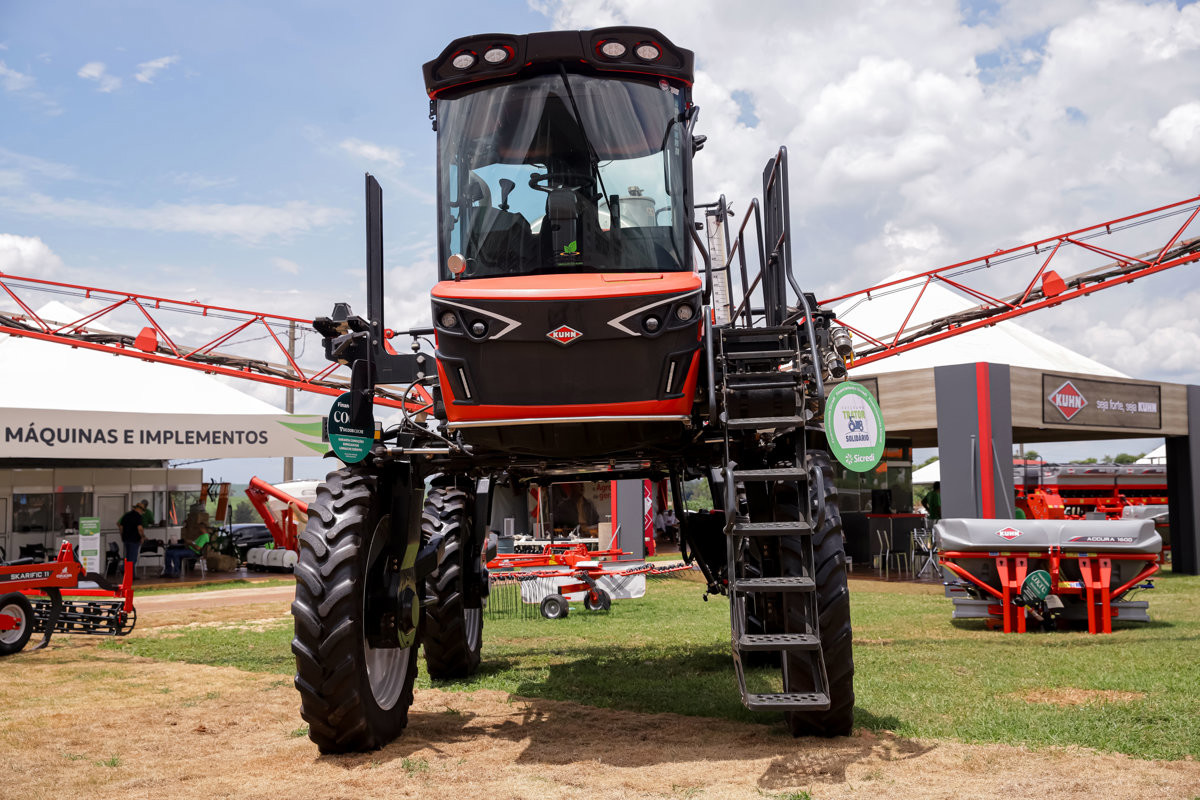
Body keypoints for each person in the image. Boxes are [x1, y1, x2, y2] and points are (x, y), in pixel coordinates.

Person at [162, 506, 211, 578]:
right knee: (168, 552)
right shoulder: (201, 535)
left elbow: (198, 548)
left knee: (176, 553)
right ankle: (168, 571)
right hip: (190, 549)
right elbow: (195, 544)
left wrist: (190, 542)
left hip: (194, 552)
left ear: (203, 528)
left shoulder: (205, 537)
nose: (198, 529)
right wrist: (188, 542)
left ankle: (176, 572)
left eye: (199, 527)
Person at [118, 501, 146, 571]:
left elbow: (121, 527)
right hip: (134, 540)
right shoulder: (138, 516)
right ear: (140, 509)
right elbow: (140, 528)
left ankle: (126, 572)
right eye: (142, 511)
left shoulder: (126, 515)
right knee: (132, 559)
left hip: (126, 539)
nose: (142, 512)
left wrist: (122, 536)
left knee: (128, 557)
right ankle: (130, 575)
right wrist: (143, 537)